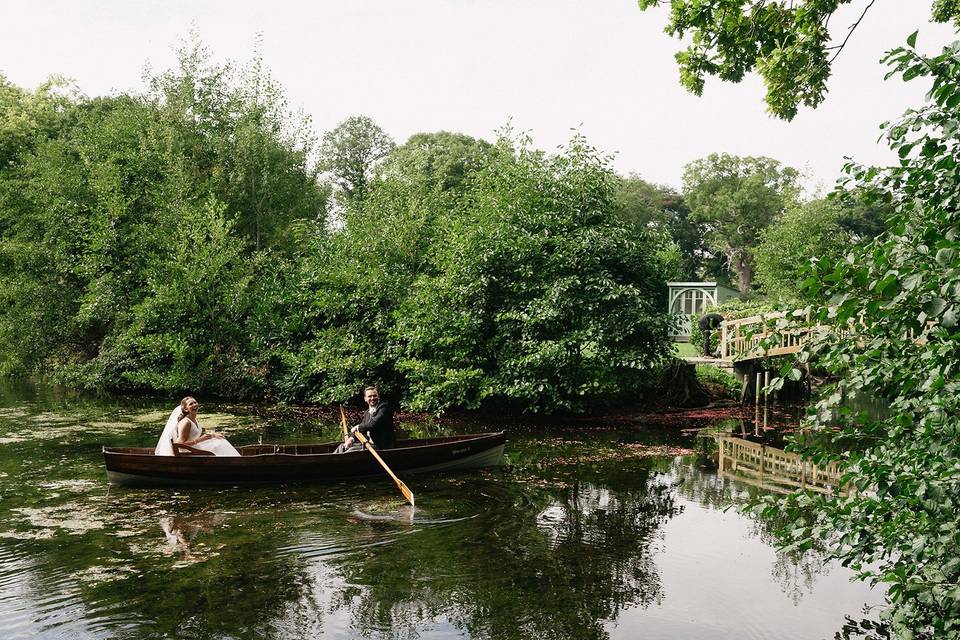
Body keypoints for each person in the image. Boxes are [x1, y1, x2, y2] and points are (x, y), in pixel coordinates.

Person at [154, 396, 241, 456]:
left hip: (194, 447)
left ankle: (234, 462)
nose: (194, 405)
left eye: (195, 402)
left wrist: (212, 435)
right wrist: (199, 440)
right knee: (220, 444)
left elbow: (193, 435)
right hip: (187, 451)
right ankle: (234, 463)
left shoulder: (194, 419)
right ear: (185, 409)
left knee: (219, 440)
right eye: (191, 404)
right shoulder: (186, 423)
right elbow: (178, 444)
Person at [335, 386, 396, 453]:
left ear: (378, 397)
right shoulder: (367, 412)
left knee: (349, 451)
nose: (372, 398)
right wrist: (351, 439)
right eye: (369, 396)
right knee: (342, 446)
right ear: (365, 399)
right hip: (369, 445)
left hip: (381, 446)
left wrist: (358, 427)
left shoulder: (384, 408)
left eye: (374, 396)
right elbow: (363, 427)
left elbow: (373, 424)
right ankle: (332, 461)